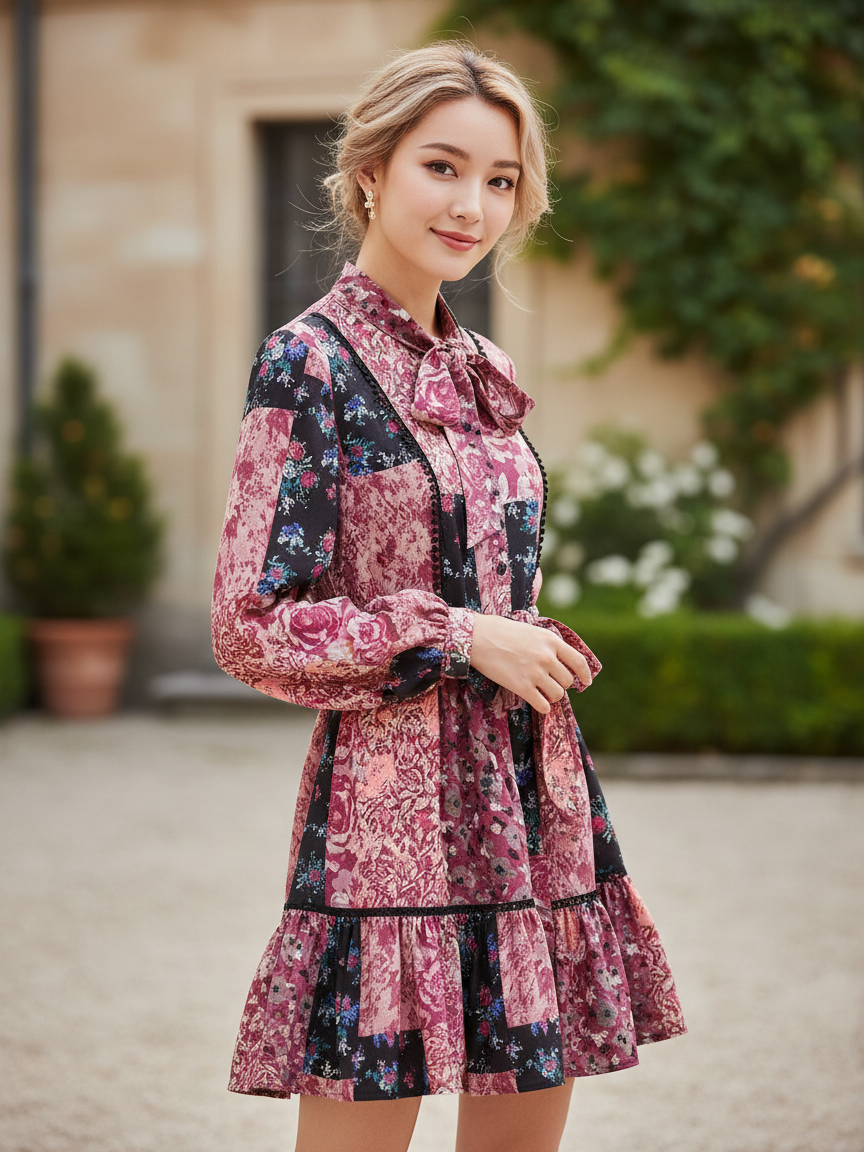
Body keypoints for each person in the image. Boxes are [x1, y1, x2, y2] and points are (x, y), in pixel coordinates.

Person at [211, 39, 686, 1152]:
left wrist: (515, 638)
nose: (474, 205)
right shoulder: (310, 364)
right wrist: (462, 634)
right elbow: (250, 623)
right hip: (392, 822)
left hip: (529, 796)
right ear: (370, 171)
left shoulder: (481, 367)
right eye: (443, 166)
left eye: (501, 178)